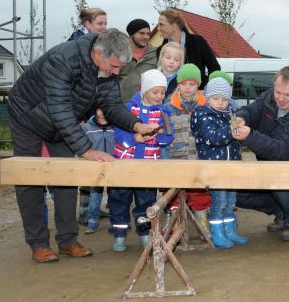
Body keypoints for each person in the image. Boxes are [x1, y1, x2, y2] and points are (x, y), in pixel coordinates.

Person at [8, 30, 158, 263]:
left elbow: (112, 105)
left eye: (120, 68)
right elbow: (59, 108)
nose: (116, 72)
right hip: (27, 117)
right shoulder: (63, 59)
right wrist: (86, 150)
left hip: (61, 122)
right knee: (30, 179)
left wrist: (136, 125)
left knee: (68, 178)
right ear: (98, 53)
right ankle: (38, 243)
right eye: (114, 66)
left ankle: (67, 240)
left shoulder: (107, 70)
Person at [232, 66, 289, 242]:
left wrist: (250, 137)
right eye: (278, 92)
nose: (281, 98)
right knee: (231, 189)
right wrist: (241, 117)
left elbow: (283, 151)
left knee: (279, 175)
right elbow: (252, 110)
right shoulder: (268, 96)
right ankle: (281, 211)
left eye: (287, 95)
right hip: (267, 165)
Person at [109, 70, 174, 252]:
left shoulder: (163, 112)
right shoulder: (128, 109)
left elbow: (169, 137)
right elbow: (118, 131)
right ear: (145, 90)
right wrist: (133, 139)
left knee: (146, 200)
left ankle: (145, 234)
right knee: (119, 199)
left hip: (148, 165)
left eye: (162, 92)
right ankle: (120, 235)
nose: (159, 96)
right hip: (124, 163)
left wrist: (161, 135)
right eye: (155, 92)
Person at [191, 77, 248, 249]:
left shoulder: (229, 114)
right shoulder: (204, 115)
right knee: (219, 201)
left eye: (224, 99)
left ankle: (230, 231)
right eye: (216, 98)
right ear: (207, 98)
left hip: (230, 167)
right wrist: (231, 130)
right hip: (215, 168)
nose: (221, 103)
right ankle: (217, 232)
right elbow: (213, 138)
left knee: (231, 201)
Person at [161, 63, 211, 232]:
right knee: (173, 194)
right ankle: (174, 223)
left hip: (199, 159)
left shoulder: (207, 107)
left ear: (198, 85)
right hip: (176, 157)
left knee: (200, 193)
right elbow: (164, 135)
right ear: (178, 84)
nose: (188, 88)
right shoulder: (168, 107)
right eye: (183, 84)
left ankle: (203, 223)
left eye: (192, 84)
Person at [157, 8, 220, 89]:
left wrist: (204, 88)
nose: (158, 28)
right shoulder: (160, 50)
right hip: (171, 99)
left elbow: (214, 68)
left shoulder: (198, 42)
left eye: (161, 24)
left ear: (175, 25)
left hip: (198, 97)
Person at [82, 108, 114, 234]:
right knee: (95, 196)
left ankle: (115, 222)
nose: (104, 112)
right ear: (96, 110)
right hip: (95, 168)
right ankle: (92, 221)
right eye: (101, 108)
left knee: (115, 197)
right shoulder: (87, 127)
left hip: (113, 166)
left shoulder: (116, 126)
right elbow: (82, 145)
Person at [118, 19, 158, 104]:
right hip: (120, 105)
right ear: (131, 34)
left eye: (148, 34)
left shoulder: (156, 53)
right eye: (141, 33)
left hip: (146, 106)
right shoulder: (119, 53)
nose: (146, 37)